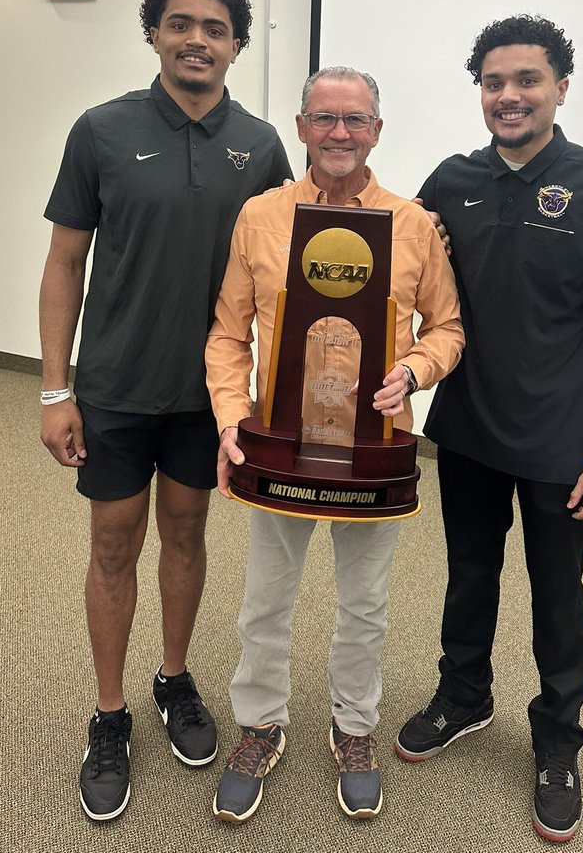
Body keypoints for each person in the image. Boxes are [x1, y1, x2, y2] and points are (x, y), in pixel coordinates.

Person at [395, 15, 583, 843]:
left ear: (560, 88)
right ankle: (464, 696)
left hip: (560, 442)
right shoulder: (448, 181)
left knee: (558, 596)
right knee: (469, 575)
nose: (508, 96)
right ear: (479, 91)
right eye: (493, 82)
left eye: (526, 81)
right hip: (468, 427)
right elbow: (413, 291)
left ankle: (557, 737)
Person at [38, 0, 293, 823]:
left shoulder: (259, 146)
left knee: (186, 534)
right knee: (114, 543)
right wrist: (52, 389)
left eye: (215, 28)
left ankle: (173, 680)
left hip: (208, 397)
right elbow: (65, 261)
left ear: (236, 45)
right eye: (180, 24)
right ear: (153, 34)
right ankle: (109, 715)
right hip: (112, 387)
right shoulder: (101, 131)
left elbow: (294, 266)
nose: (197, 39)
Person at [205, 66, 464, 824]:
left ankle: (354, 729)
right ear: (301, 127)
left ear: (378, 131)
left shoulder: (413, 224)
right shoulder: (260, 216)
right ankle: (259, 725)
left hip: (375, 449)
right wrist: (231, 414)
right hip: (278, 447)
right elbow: (227, 332)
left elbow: (447, 327)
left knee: (367, 606)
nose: (339, 133)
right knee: (265, 600)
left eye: (354, 120)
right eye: (324, 118)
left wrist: (414, 371)